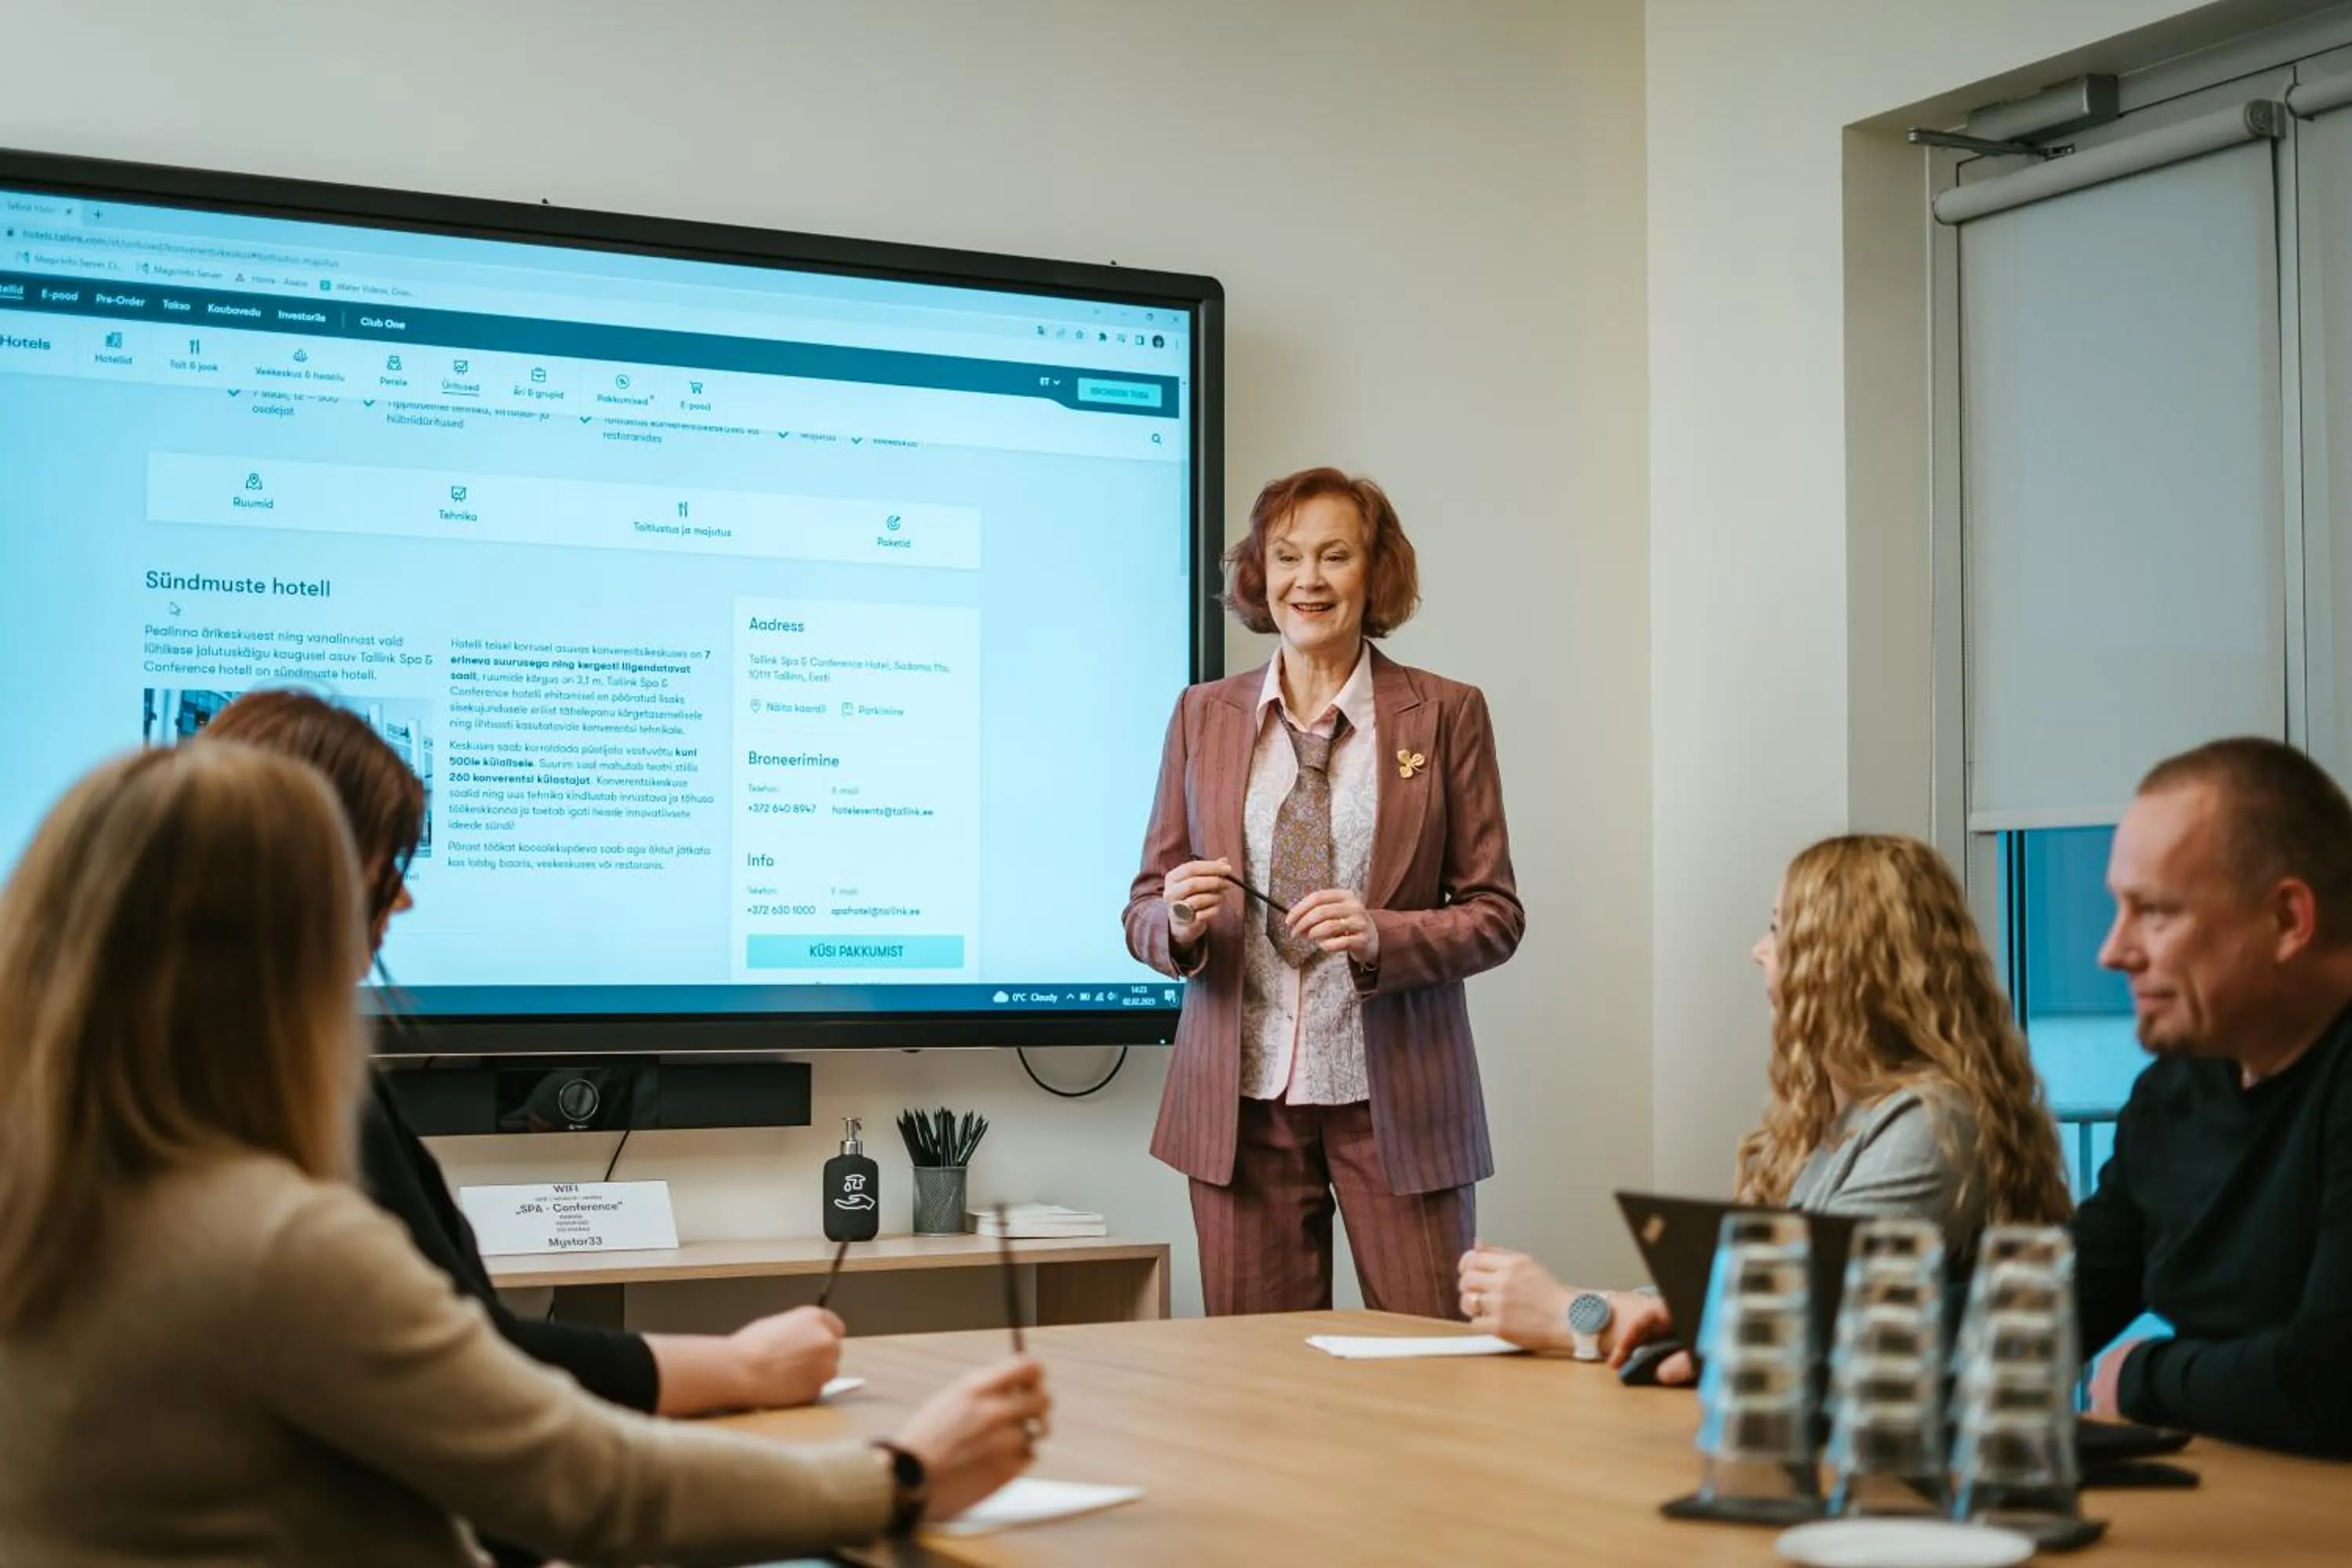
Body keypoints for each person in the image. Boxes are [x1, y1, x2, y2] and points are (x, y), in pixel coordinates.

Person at [0, 742, 1049, 1565]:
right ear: (280, 955)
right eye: (367, 896)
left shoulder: (47, 1202)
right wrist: (908, 1471)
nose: (394, 918)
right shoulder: (272, 1245)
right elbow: (596, 1489)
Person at [198, 690, 848, 1566]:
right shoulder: (284, 1090)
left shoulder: (196, 1074)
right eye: (389, 866)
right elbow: (474, 1366)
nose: (406, 902)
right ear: (313, 870)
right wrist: (751, 1374)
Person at [1125, 467, 1524, 1318]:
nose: (1308, 579)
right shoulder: (1202, 714)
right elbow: (1146, 906)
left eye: (1334, 556)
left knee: (1434, 1371)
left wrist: (1383, 934)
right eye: (1287, 556)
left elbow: (1495, 915)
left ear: (1374, 573)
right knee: (1258, 1393)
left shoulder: (1446, 713)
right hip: (1240, 1106)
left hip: (1397, 1101)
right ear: (1259, 575)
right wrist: (1181, 921)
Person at [1461, 834, 2070, 1378]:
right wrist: (1570, 1300)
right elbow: (1736, 1294)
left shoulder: (1932, 1125)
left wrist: (1569, 1314)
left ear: (1849, 963)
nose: (1760, 951)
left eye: (1781, 929)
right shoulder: (1847, 1122)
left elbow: (1806, 1323)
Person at [2078, 739, 2352, 1457]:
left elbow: (2330, 1381)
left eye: (2155, 912)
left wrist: (2144, 1374)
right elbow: (2068, 1294)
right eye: (2119, 908)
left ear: (2289, 920)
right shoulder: (2174, 1091)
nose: (2114, 951)